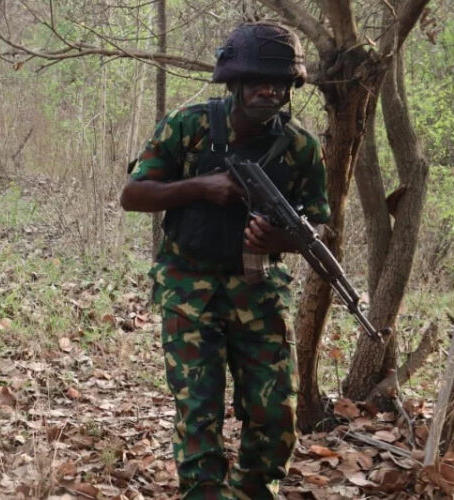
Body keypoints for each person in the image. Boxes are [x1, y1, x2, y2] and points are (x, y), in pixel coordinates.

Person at [119, 22, 329, 499]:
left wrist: (283, 237)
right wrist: (200, 187)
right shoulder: (190, 125)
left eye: (278, 83)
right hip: (188, 287)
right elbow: (133, 195)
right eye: (256, 80)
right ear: (234, 81)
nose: (267, 91)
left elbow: (319, 226)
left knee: (276, 416)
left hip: (259, 288)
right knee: (199, 413)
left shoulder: (301, 148)